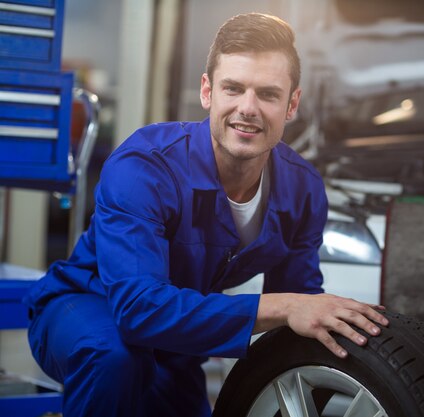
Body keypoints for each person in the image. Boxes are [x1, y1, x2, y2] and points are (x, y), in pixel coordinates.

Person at [25, 12, 388, 417]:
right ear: (207, 91)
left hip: (175, 334)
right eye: (233, 88)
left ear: (292, 104)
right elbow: (138, 309)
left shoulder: (303, 189)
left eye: (268, 94)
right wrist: (286, 307)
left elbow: (299, 310)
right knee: (115, 360)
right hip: (87, 309)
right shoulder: (144, 166)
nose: (247, 108)